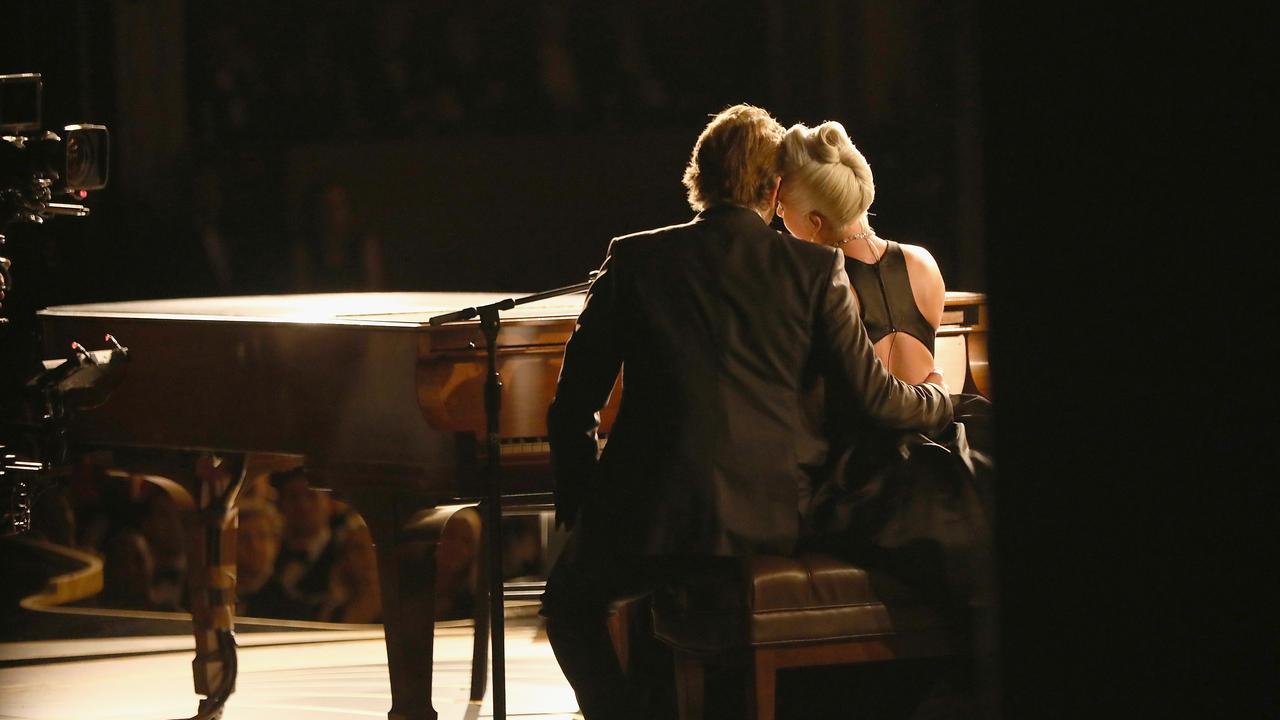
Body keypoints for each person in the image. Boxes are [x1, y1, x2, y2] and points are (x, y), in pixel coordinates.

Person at [539, 104, 954, 720]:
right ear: (775, 188)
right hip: (771, 516)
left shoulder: (634, 260)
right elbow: (875, 399)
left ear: (698, 179)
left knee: (570, 607)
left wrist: (585, 506)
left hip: (649, 515)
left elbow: (572, 405)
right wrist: (939, 399)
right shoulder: (815, 268)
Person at [777, 120, 998, 717]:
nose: (781, 227)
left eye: (786, 216)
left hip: (866, 464)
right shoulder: (922, 264)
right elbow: (923, 381)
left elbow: (839, 403)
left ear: (815, 223)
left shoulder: (815, 282)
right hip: (938, 434)